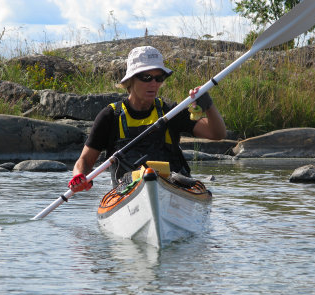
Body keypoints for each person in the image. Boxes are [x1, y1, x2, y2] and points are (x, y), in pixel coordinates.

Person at [68, 46, 226, 193]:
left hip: (174, 188)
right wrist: (78, 176)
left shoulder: (170, 111)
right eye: (146, 77)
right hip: (127, 192)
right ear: (130, 80)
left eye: (159, 78)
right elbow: (85, 161)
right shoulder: (110, 116)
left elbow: (216, 133)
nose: (153, 83)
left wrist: (208, 105)